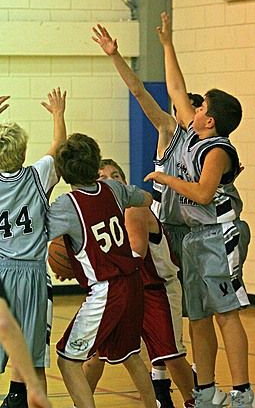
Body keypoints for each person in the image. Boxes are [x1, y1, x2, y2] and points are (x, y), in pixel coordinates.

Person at [144, 14, 255, 408]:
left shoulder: (217, 149)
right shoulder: (193, 136)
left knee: (226, 311)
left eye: (200, 107)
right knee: (197, 315)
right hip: (196, 239)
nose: (190, 108)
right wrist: (166, 44)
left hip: (219, 234)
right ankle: (206, 389)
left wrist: (164, 179)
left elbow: (201, 192)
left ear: (209, 120)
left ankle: (244, 392)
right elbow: (177, 86)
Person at [45, 134, 159, 408]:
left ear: (62, 172)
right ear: (95, 162)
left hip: (107, 290)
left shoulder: (67, 205)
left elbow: (38, 231)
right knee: (131, 355)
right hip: (132, 283)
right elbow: (145, 198)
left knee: (67, 359)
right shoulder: (112, 189)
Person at [82, 159, 195, 408]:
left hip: (156, 290)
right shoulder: (96, 216)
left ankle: (196, 401)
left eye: (115, 175)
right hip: (122, 289)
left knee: (171, 355)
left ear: (124, 182)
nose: (109, 179)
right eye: (101, 177)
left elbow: (136, 254)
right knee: (95, 355)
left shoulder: (134, 208)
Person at [0, 88, 67, 408]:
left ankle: (15, 397)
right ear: (24, 153)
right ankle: (22, 396)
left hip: (2, 271)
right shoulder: (38, 176)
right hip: (32, 274)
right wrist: (58, 115)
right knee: (32, 352)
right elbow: (59, 146)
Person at [0, 279, 52, 408]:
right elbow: (5, 325)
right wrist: (33, 385)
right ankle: (18, 396)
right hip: (32, 276)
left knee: (37, 363)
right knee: (36, 364)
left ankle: (16, 396)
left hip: (32, 275)